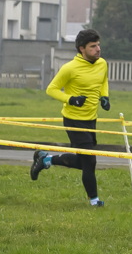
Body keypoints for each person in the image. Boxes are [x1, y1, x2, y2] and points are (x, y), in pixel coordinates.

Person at [31, 28, 111, 206]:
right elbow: (51, 89)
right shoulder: (69, 68)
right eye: (93, 46)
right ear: (82, 49)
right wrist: (71, 99)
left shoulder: (102, 64)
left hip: (91, 119)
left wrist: (104, 96)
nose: (98, 49)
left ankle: (46, 159)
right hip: (74, 119)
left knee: (85, 161)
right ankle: (94, 201)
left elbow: (103, 80)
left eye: (98, 45)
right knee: (90, 160)